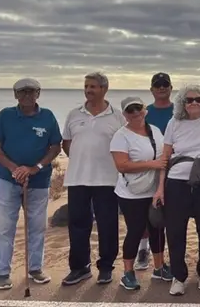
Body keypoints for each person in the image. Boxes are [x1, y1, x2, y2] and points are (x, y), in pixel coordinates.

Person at [154, 85, 200, 296]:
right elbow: (165, 158)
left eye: (198, 99)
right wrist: (160, 188)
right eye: (189, 100)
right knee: (176, 232)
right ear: (182, 103)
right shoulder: (174, 122)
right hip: (177, 184)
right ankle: (179, 277)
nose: (194, 103)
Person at [0, 78, 62, 290]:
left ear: (38, 94)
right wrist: (15, 169)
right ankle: (2, 273)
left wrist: (34, 168)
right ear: (15, 95)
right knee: (5, 227)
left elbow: (55, 147)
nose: (27, 96)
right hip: (7, 179)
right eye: (22, 92)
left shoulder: (48, 116)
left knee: (37, 227)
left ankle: (35, 269)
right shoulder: (5, 115)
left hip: (38, 181)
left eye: (31, 92)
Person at [61, 72, 126, 286]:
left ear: (104, 89)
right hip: (77, 178)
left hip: (107, 180)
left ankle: (106, 267)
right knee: (78, 224)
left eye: (94, 87)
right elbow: (67, 144)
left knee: (107, 225)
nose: (89, 90)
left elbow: (124, 145)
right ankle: (80, 268)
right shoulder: (74, 114)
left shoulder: (117, 116)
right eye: (87, 86)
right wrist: (83, 159)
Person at [110, 97, 172, 290]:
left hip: (154, 190)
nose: (135, 113)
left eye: (138, 108)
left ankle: (159, 267)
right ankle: (128, 273)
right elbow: (122, 165)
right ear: (124, 114)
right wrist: (151, 164)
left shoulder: (155, 130)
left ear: (145, 110)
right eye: (130, 110)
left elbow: (164, 156)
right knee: (136, 230)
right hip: (132, 193)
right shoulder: (121, 136)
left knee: (157, 229)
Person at [135, 72, 174, 271]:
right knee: (145, 212)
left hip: (173, 168)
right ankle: (143, 249)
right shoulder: (144, 112)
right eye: (157, 85)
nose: (161, 87)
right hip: (148, 167)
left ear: (170, 88)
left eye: (165, 84)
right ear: (151, 89)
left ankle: (165, 256)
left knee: (167, 214)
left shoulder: (179, 112)